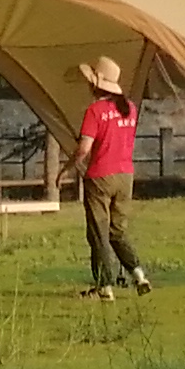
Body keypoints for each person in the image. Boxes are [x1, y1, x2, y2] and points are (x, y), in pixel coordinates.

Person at [71, 54, 150, 296]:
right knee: (118, 231)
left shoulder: (95, 111)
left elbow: (84, 148)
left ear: (96, 84)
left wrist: (70, 166)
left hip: (100, 176)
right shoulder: (130, 109)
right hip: (125, 176)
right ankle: (139, 275)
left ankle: (104, 286)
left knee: (99, 233)